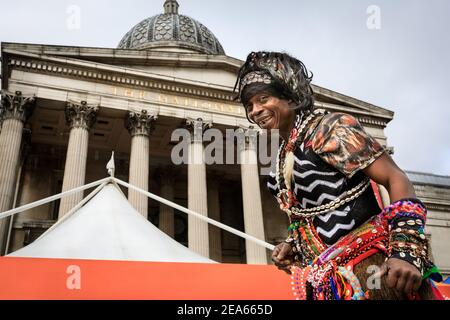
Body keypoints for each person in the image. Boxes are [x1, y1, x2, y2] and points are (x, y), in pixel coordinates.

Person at [234, 51, 442, 300]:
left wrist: (405, 253)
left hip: (372, 271)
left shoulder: (329, 128)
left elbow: (396, 178)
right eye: (250, 106)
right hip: (329, 280)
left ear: (289, 96)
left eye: (263, 99)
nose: (256, 110)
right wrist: (292, 244)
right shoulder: (283, 155)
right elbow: (312, 214)